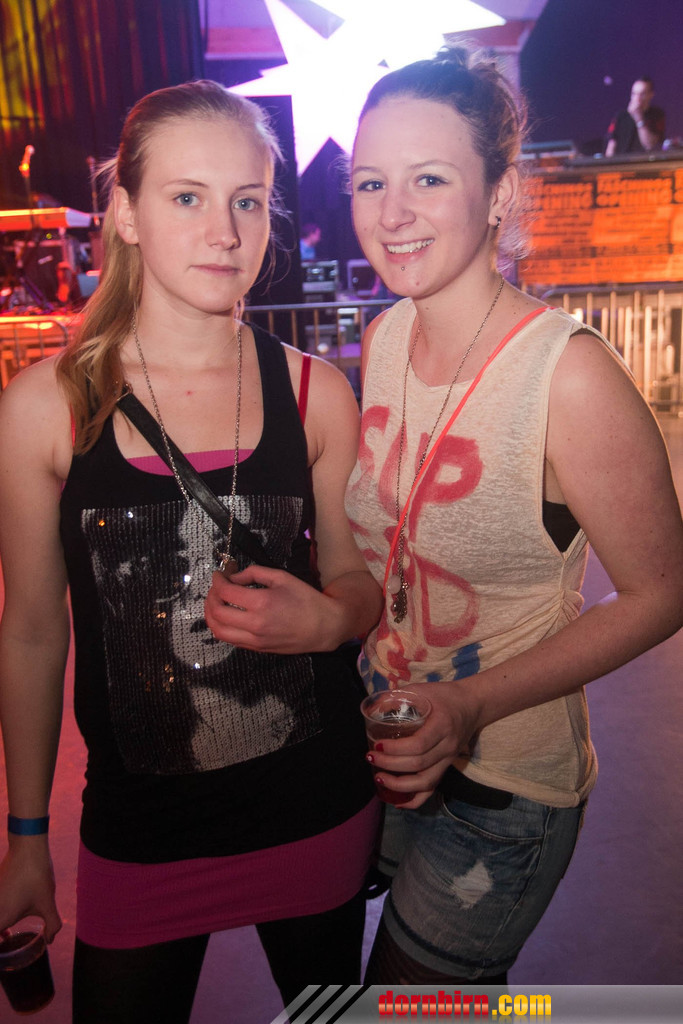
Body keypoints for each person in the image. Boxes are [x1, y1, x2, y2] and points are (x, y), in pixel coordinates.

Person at [0, 80, 382, 1022]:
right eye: (186, 197)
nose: (224, 232)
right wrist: (26, 836)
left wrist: (328, 618)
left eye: (247, 201)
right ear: (125, 214)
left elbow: (358, 582)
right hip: (140, 831)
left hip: (312, 808)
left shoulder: (315, 393)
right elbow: (34, 636)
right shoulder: (46, 410)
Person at [344, 46, 683, 985]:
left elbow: (661, 593)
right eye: (369, 182)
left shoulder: (567, 376)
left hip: (502, 788)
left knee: (405, 1004)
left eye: (428, 178)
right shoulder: (384, 336)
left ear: (498, 193)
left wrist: (470, 704)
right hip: (384, 738)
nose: (391, 212)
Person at [605, 76, 665, 156]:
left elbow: (650, 145)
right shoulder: (621, 116)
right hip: (623, 162)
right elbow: (611, 147)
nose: (637, 98)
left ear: (651, 95)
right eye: (634, 94)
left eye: (642, 94)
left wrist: (638, 118)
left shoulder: (657, 114)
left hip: (645, 161)